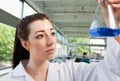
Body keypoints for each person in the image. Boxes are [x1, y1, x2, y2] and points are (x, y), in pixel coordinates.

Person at [0, 0, 120, 81]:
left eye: (52, 33)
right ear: (26, 44)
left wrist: (114, 23)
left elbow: (110, 71)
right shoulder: (8, 79)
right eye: (40, 36)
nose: (51, 41)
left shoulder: (70, 71)